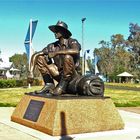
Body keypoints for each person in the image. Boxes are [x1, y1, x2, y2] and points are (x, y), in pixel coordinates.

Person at [28, 20, 81, 95]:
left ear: (63, 32)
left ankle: (62, 87)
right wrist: (31, 72)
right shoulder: (52, 46)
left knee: (68, 57)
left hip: (72, 76)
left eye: (57, 31)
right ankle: (49, 84)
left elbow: (76, 50)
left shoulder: (72, 41)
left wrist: (56, 53)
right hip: (59, 74)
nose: (54, 33)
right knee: (40, 58)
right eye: (54, 31)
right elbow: (36, 55)